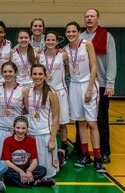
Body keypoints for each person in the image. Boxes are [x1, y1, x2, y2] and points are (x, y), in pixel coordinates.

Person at [74, 8, 117, 164]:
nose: (89, 19)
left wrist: (110, 84)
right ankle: (80, 149)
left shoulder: (106, 36)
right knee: (81, 118)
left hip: (101, 84)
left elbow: (111, 61)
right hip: (83, 83)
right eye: (87, 16)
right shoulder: (80, 37)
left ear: (98, 19)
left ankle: (104, 151)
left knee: (100, 119)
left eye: (92, 16)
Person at [65, 22, 106, 173]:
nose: (71, 34)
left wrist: (89, 89)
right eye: (68, 31)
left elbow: (94, 67)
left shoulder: (87, 44)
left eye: (73, 31)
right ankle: (85, 155)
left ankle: (98, 157)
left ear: (78, 32)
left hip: (88, 85)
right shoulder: (65, 50)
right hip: (74, 86)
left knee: (92, 123)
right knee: (80, 123)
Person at [38, 31, 70, 159]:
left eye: (53, 40)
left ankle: (64, 148)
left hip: (59, 90)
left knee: (62, 122)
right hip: (44, 91)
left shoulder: (63, 55)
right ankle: (46, 146)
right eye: (48, 40)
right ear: (45, 41)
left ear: (57, 42)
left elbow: (69, 69)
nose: (50, 42)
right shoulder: (39, 56)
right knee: (45, 120)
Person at [24, 64, 60, 178]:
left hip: (45, 135)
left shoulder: (52, 93)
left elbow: (56, 117)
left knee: (47, 173)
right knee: (31, 171)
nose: (37, 76)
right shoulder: (27, 91)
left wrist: (52, 139)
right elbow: (26, 111)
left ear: (45, 76)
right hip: (30, 134)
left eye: (40, 74)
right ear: (31, 75)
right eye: (34, 74)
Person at [2, 116, 55, 188]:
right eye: (18, 128)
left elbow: (35, 161)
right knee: (7, 174)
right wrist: (20, 171)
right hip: (14, 170)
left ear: (27, 128)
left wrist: (29, 171)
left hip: (27, 169)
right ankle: (34, 182)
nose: (20, 131)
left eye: (23, 128)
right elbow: (7, 161)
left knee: (43, 170)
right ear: (14, 127)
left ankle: (22, 182)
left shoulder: (31, 141)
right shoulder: (8, 141)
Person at [0, 61, 26, 160]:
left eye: (10, 71)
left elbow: (27, 110)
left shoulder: (23, 90)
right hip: (0, 129)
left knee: (16, 160)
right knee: (1, 159)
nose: (7, 74)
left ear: (15, 72)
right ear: (2, 73)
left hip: (15, 131)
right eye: (5, 71)